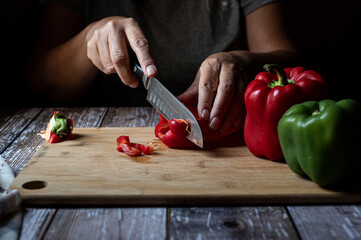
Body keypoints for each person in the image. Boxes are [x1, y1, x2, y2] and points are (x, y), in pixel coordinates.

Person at [28, 0, 298, 133]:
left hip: (229, 132)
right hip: (105, 136)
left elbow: (293, 62)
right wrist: (89, 38)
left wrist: (244, 61)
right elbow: (42, 85)